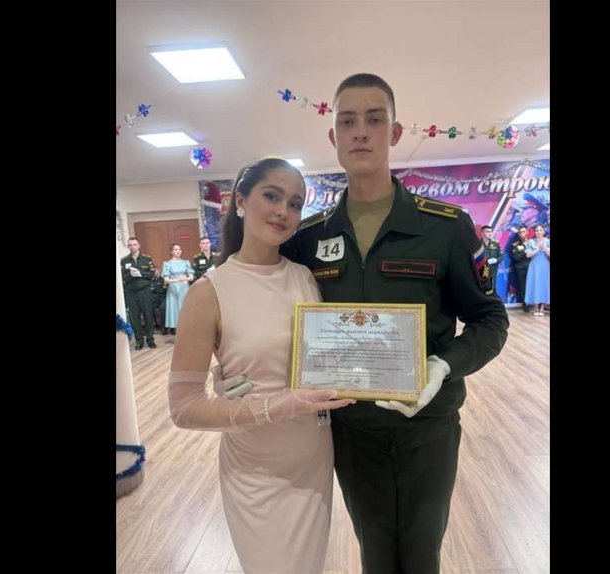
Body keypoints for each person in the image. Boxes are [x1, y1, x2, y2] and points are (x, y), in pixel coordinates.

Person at [280, 73, 509, 572]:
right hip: (350, 430)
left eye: (374, 119)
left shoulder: (445, 227)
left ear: (396, 132)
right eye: (348, 121)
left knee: (422, 554)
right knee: (376, 553)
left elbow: (490, 318)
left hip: (427, 427)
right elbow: (275, 312)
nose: (360, 131)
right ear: (333, 137)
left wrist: (443, 366)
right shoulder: (308, 238)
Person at [168, 157, 356, 574]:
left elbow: (328, 353)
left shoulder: (307, 277)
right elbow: (183, 409)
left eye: (295, 203)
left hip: (312, 459)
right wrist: (273, 405)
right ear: (240, 200)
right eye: (272, 196)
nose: (283, 211)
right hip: (255, 469)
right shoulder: (208, 291)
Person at [120, 237, 158, 350]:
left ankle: (150, 340)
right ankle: (139, 341)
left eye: (134, 244)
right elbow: (122, 277)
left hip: (144, 291)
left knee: (148, 316)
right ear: (128, 246)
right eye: (130, 245)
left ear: (139, 245)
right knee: (135, 318)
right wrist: (131, 275)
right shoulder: (124, 260)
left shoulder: (146, 259)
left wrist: (140, 274)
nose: (132, 247)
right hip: (131, 292)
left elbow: (152, 274)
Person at [161, 244, 195, 335]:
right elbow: (166, 279)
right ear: (172, 252)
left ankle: (188, 329)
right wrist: (177, 280)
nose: (178, 251)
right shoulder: (167, 264)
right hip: (174, 289)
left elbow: (191, 277)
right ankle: (177, 330)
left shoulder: (185, 262)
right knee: (175, 309)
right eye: (176, 250)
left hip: (184, 288)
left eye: (179, 249)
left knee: (185, 308)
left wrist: (185, 278)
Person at [523, 224, 550, 315]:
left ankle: (542, 308)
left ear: (543, 231)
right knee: (534, 284)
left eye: (540, 230)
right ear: (534, 232)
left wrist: (544, 247)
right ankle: (535, 308)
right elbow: (528, 255)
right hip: (534, 265)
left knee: (544, 285)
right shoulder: (530, 242)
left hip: (544, 265)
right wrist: (537, 249)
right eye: (537, 230)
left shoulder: (547, 241)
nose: (539, 232)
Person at [509, 225, 532, 312]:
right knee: (523, 287)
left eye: (524, 232)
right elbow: (515, 257)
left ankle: (533, 302)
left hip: (532, 268)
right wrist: (524, 253)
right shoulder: (515, 244)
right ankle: (525, 304)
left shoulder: (532, 242)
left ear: (527, 232)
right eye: (520, 232)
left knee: (532, 285)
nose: (522, 234)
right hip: (521, 268)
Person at [479, 225, 502, 295]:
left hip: (493, 269)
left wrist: (496, 260)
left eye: (491, 232)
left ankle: (493, 299)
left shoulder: (496, 243)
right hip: (483, 269)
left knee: (493, 285)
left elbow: (501, 256)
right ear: (482, 233)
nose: (490, 234)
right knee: (483, 286)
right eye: (487, 232)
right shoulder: (478, 244)